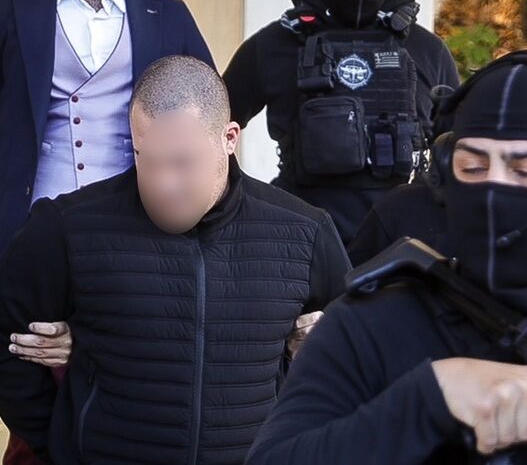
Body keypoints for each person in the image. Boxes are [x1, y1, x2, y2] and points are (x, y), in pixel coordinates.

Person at [0, 56, 350, 464]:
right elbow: (6, 338)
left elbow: (356, 355)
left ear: (229, 138)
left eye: (182, 162)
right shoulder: (68, 226)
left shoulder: (305, 231)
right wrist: (60, 443)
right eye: (146, 158)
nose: (163, 184)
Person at [245, 51, 527, 464]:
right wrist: (431, 398)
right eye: (472, 167)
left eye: (523, 170)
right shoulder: (370, 324)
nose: (493, 191)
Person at [0, 0, 213, 257]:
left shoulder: (170, 17)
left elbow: (209, 117)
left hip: (137, 231)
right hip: (29, 230)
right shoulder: (10, 9)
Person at [223, 0, 459, 246]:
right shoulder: (274, 45)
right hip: (296, 240)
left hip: (402, 244)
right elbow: (210, 133)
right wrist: (244, 206)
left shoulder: (427, 51)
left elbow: (460, 149)